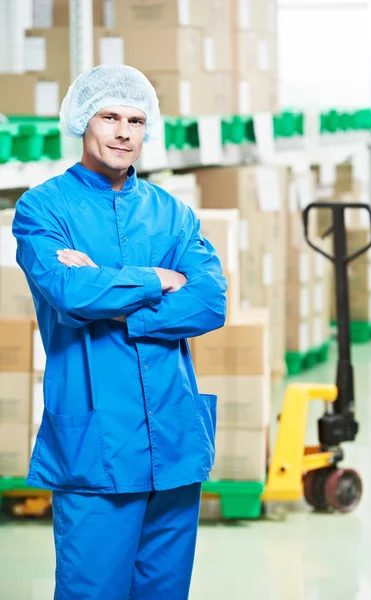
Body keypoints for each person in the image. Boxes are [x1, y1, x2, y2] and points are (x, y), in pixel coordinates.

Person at [12, 64, 227, 600]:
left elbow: (209, 302)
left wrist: (113, 300)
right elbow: (69, 293)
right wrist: (159, 279)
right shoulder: (43, 208)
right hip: (98, 450)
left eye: (135, 119)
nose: (124, 132)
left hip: (174, 445)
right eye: (109, 117)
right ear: (83, 120)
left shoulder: (172, 213)